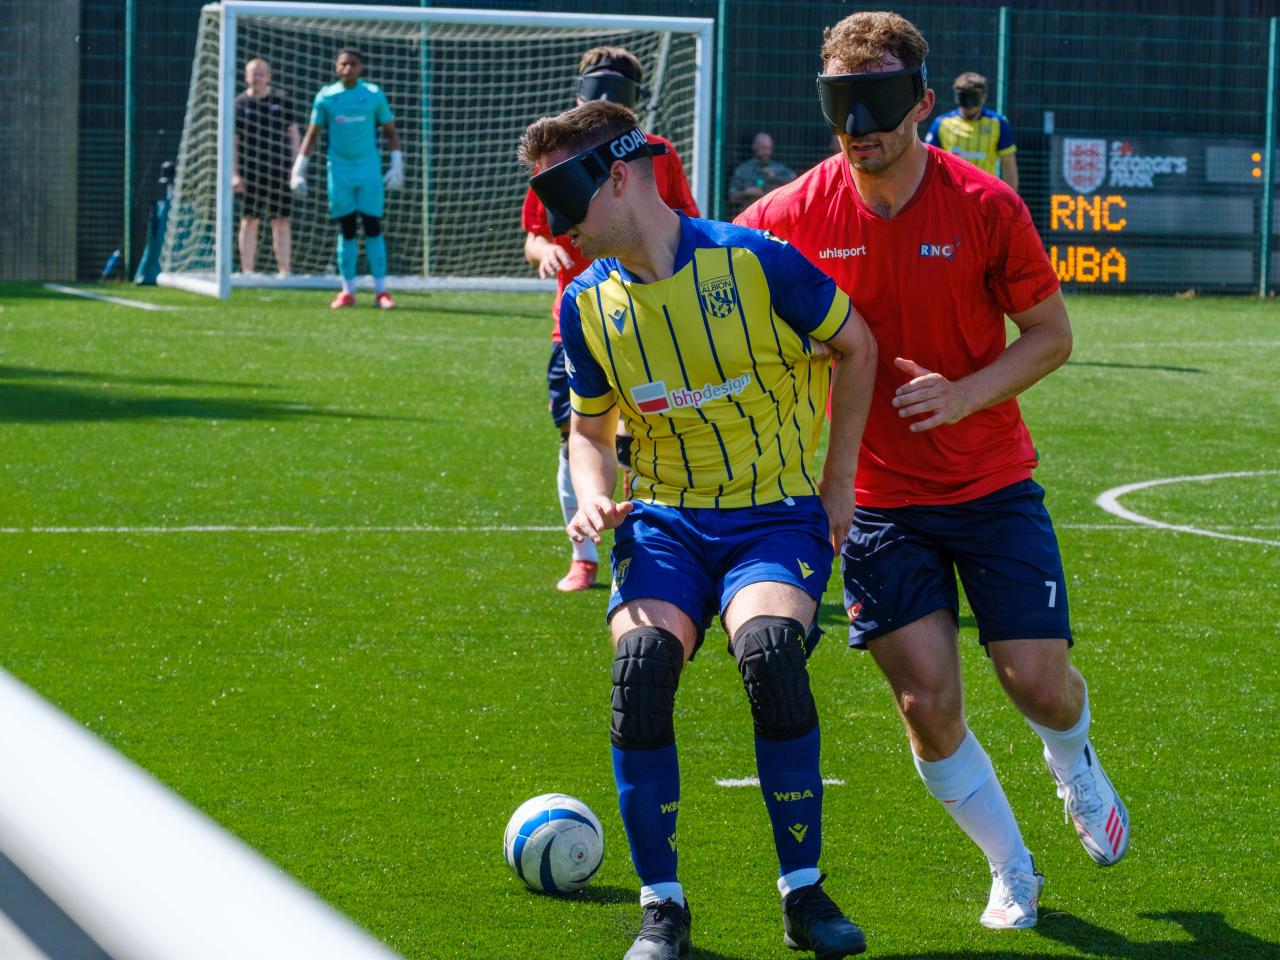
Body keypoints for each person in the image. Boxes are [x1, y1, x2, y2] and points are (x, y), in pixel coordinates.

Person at [737, 10, 1127, 932]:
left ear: (919, 102)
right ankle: (1012, 866)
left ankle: (1072, 758)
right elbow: (703, 264)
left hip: (990, 482)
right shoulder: (791, 213)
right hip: (877, 502)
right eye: (840, 107)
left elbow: (1051, 338)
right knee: (926, 704)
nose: (857, 128)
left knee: (1036, 682)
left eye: (875, 104)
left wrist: (963, 396)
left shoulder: (986, 205)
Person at [520, 99, 877, 960]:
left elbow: (856, 345)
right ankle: (664, 907)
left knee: (769, 654)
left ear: (618, 175)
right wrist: (593, 495)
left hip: (774, 516)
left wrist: (838, 484)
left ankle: (803, 893)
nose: (559, 228)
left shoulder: (756, 264)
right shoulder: (585, 304)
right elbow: (589, 430)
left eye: (566, 203)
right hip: (667, 522)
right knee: (639, 671)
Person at [521, 46, 700, 593]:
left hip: (651, 320)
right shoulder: (551, 158)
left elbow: (685, 222)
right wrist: (542, 252)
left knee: (642, 434)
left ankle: (660, 545)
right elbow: (533, 233)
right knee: (575, 436)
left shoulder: (656, 154)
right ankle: (584, 553)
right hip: (574, 323)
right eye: (593, 89)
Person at [292, 48, 403, 309]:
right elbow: (312, 135)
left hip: (368, 171)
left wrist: (396, 165)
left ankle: (381, 291)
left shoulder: (373, 95)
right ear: (335, 67)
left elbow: (390, 132)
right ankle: (347, 291)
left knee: (373, 227)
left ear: (360, 67)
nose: (347, 68)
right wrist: (298, 169)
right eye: (343, 64)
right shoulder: (327, 97)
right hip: (339, 171)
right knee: (347, 229)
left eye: (352, 64)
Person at [232, 58, 300, 276]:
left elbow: (294, 135)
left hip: (279, 170)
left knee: (280, 221)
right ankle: (247, 271)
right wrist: (234, 174)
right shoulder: (239, 104)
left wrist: (296, 167)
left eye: (261, 73)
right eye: (253, 73)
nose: (257, 77)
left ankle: (284, 270)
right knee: (249, 220)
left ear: (269, 76)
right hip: (250, 171)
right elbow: (233, 142)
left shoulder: (282, 100)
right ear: (245, 76)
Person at [924, 71, 1018, 191]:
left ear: (983, 97)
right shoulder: (942, 123)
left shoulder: (998, 123)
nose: (969, 106)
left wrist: (1011, 201)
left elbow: (1008, 164)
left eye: (974, 98)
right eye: (963, 99)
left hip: (986, 195)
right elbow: (928, 162)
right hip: (952, 194)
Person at [727, 132, 796, 215]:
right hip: (749, 214)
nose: (766, 152)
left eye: (769, 148)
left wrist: (774, 177)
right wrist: (746, 192)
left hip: (774, 214)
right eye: (763, 148)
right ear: (754, 147)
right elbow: (732, 197)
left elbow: (795, 183)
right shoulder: (743, 170)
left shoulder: (778, 169)